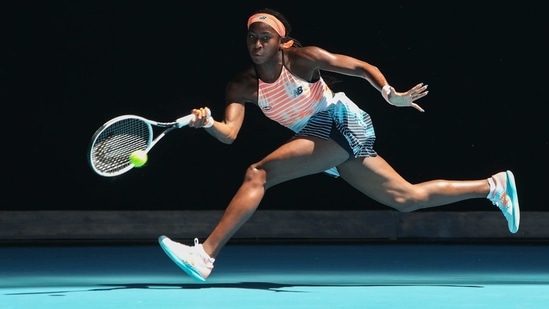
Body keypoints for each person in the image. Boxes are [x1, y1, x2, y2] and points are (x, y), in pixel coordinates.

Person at [158, 8, 520, 282]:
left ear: (282, 42)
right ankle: (492, 187)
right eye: (252, 37)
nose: (256, 44)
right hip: (318, 135)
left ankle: (205, 255)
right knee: (405, 199)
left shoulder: (304, 59)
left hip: (341, 121)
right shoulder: (240, 87)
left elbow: (361, 67)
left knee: (258, 173)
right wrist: (207, 123)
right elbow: (229, 134)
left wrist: (389, 93)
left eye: (264, 37)